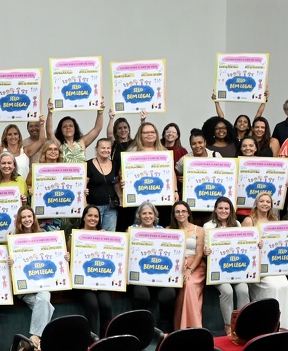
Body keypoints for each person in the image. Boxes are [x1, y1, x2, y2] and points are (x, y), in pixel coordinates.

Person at [10, 206, 65, 351]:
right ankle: (39, 346)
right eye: (24, 217)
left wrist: (64, 256)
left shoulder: (44, 236)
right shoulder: (14, 238)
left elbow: (55, 257)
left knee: (43, 300)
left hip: (43, 284)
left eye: (30, 216)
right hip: (25, 286)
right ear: (19, 221)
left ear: (34, 218)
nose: (27, 219)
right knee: (45, 304)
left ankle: (34, 341)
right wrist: (11, 261)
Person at [242, 192, 288, 328]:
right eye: (262, 201)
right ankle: (269, 323)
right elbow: (241, 244)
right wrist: (254, 244)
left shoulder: (275, 220)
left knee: (284, 285)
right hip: (256, 266)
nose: (265, 204)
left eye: (268, 202)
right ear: (256, 204)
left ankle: (284, 324)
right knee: (273, 286)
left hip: (273, 264)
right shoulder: (249, 221)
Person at [128, 202, 178, 332]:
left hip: (160, 276)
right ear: (139, 215)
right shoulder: (132, 230)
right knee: (142, 295)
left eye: (150, 213)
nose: (147, 216)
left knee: (169, 294)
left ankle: (165, 333)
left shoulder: (163, 231)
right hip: (140, 277)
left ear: (155, 215)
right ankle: (140, 331)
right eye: (144, 213)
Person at [203, 196, 249, 336]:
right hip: (218, 270)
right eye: (220, 208)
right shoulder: (208, 226)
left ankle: (242, 324)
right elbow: (205, 251)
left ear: (231, 210)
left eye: (226, 208)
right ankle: (228, 325)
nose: (223, 211)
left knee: (243, 289)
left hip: (236, 267)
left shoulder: (237, 224)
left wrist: (256, 244)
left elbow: (243, 245)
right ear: (215, 210)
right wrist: (206, 252)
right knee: (227, 291)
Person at [69, 205, 112, 334]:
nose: (93, 218)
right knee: (92, 304)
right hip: (83, 282)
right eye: (90, 215)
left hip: (101, 280)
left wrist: (107, 240)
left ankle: (107, 339)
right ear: (84, 217)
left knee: (106, 304)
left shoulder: (104, 235)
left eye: (96, 216)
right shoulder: (75, 234)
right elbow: (70, 257)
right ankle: (91, 343)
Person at [172, 200, 206, 330]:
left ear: (188, 213)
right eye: (177, 212)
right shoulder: (170, 230)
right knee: (182, 286)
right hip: (177, 265)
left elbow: (199, 254)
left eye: (183, 211)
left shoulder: (199, 230)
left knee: (189, 285)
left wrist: (190, 270)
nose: (181, 214)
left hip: (195, 266)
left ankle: (194, 327)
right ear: (174, 214)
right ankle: (181, 328)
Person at [84, 138, 120, 231]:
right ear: (96, 149)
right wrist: (84, 206)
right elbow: (83, 186)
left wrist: (121, 197)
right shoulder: (88, 165)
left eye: (108, 148)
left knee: (109, 235)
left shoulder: (114, 164)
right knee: (94, 234)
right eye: (103, 148)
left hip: (111, 207)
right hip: (94, 208)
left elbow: (116, 183)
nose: (106, 150)